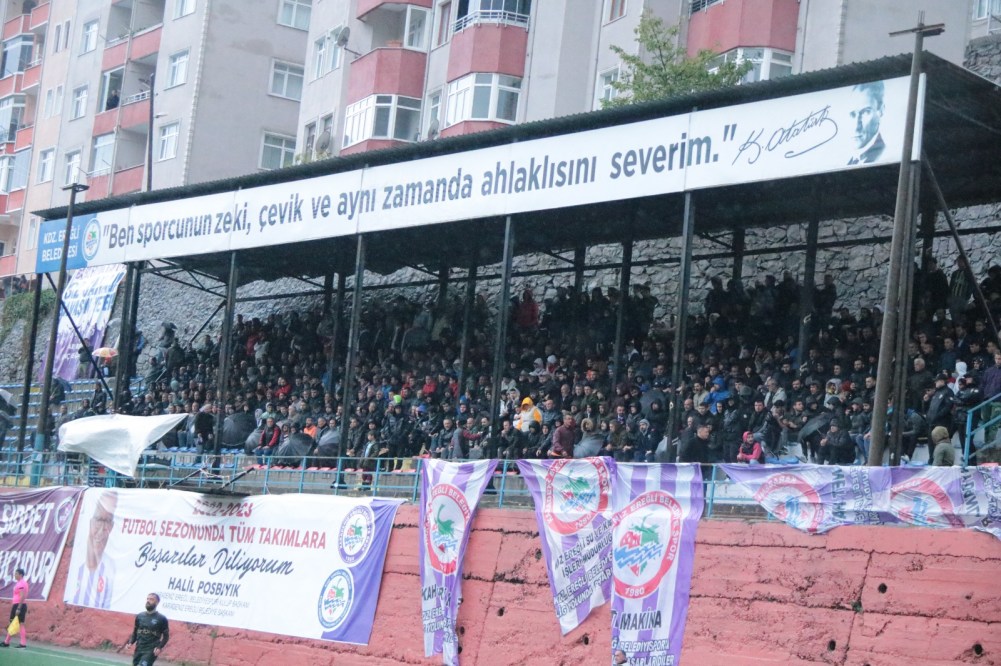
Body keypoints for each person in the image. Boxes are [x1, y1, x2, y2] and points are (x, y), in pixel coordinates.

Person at [69, 490, 117, 609]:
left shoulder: (111, 569)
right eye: (99, 520)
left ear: (112, 526)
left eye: (107, 522)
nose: (101, 530)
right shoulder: (75, 562)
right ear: (91, 521)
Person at [124, 592, 169, 666]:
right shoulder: (140, 616)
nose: (148, 601)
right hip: (139, 647)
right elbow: (135, 632)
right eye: (147, 599)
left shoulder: (161, 618)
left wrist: (159, 647)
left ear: (157, 602)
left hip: (151, 649)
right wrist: (130, 642)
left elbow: (166, 636)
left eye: (151, 599)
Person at [846, 81, 884, 164]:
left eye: (866, 112)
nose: (856, 127)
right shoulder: (851, 161)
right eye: (853, 114)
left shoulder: (885, 156)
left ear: (881, 110)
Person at [0, 567, 27, 648]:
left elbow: (22, 596)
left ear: (21, 575)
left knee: (20, 624)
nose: (15, 575)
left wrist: (18, 608)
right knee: (13, 623)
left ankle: (22, 643)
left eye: (16, 574)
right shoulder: (20, 583)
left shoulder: (21, 583)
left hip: (19, 605)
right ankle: (7, 642)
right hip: (18, 605)